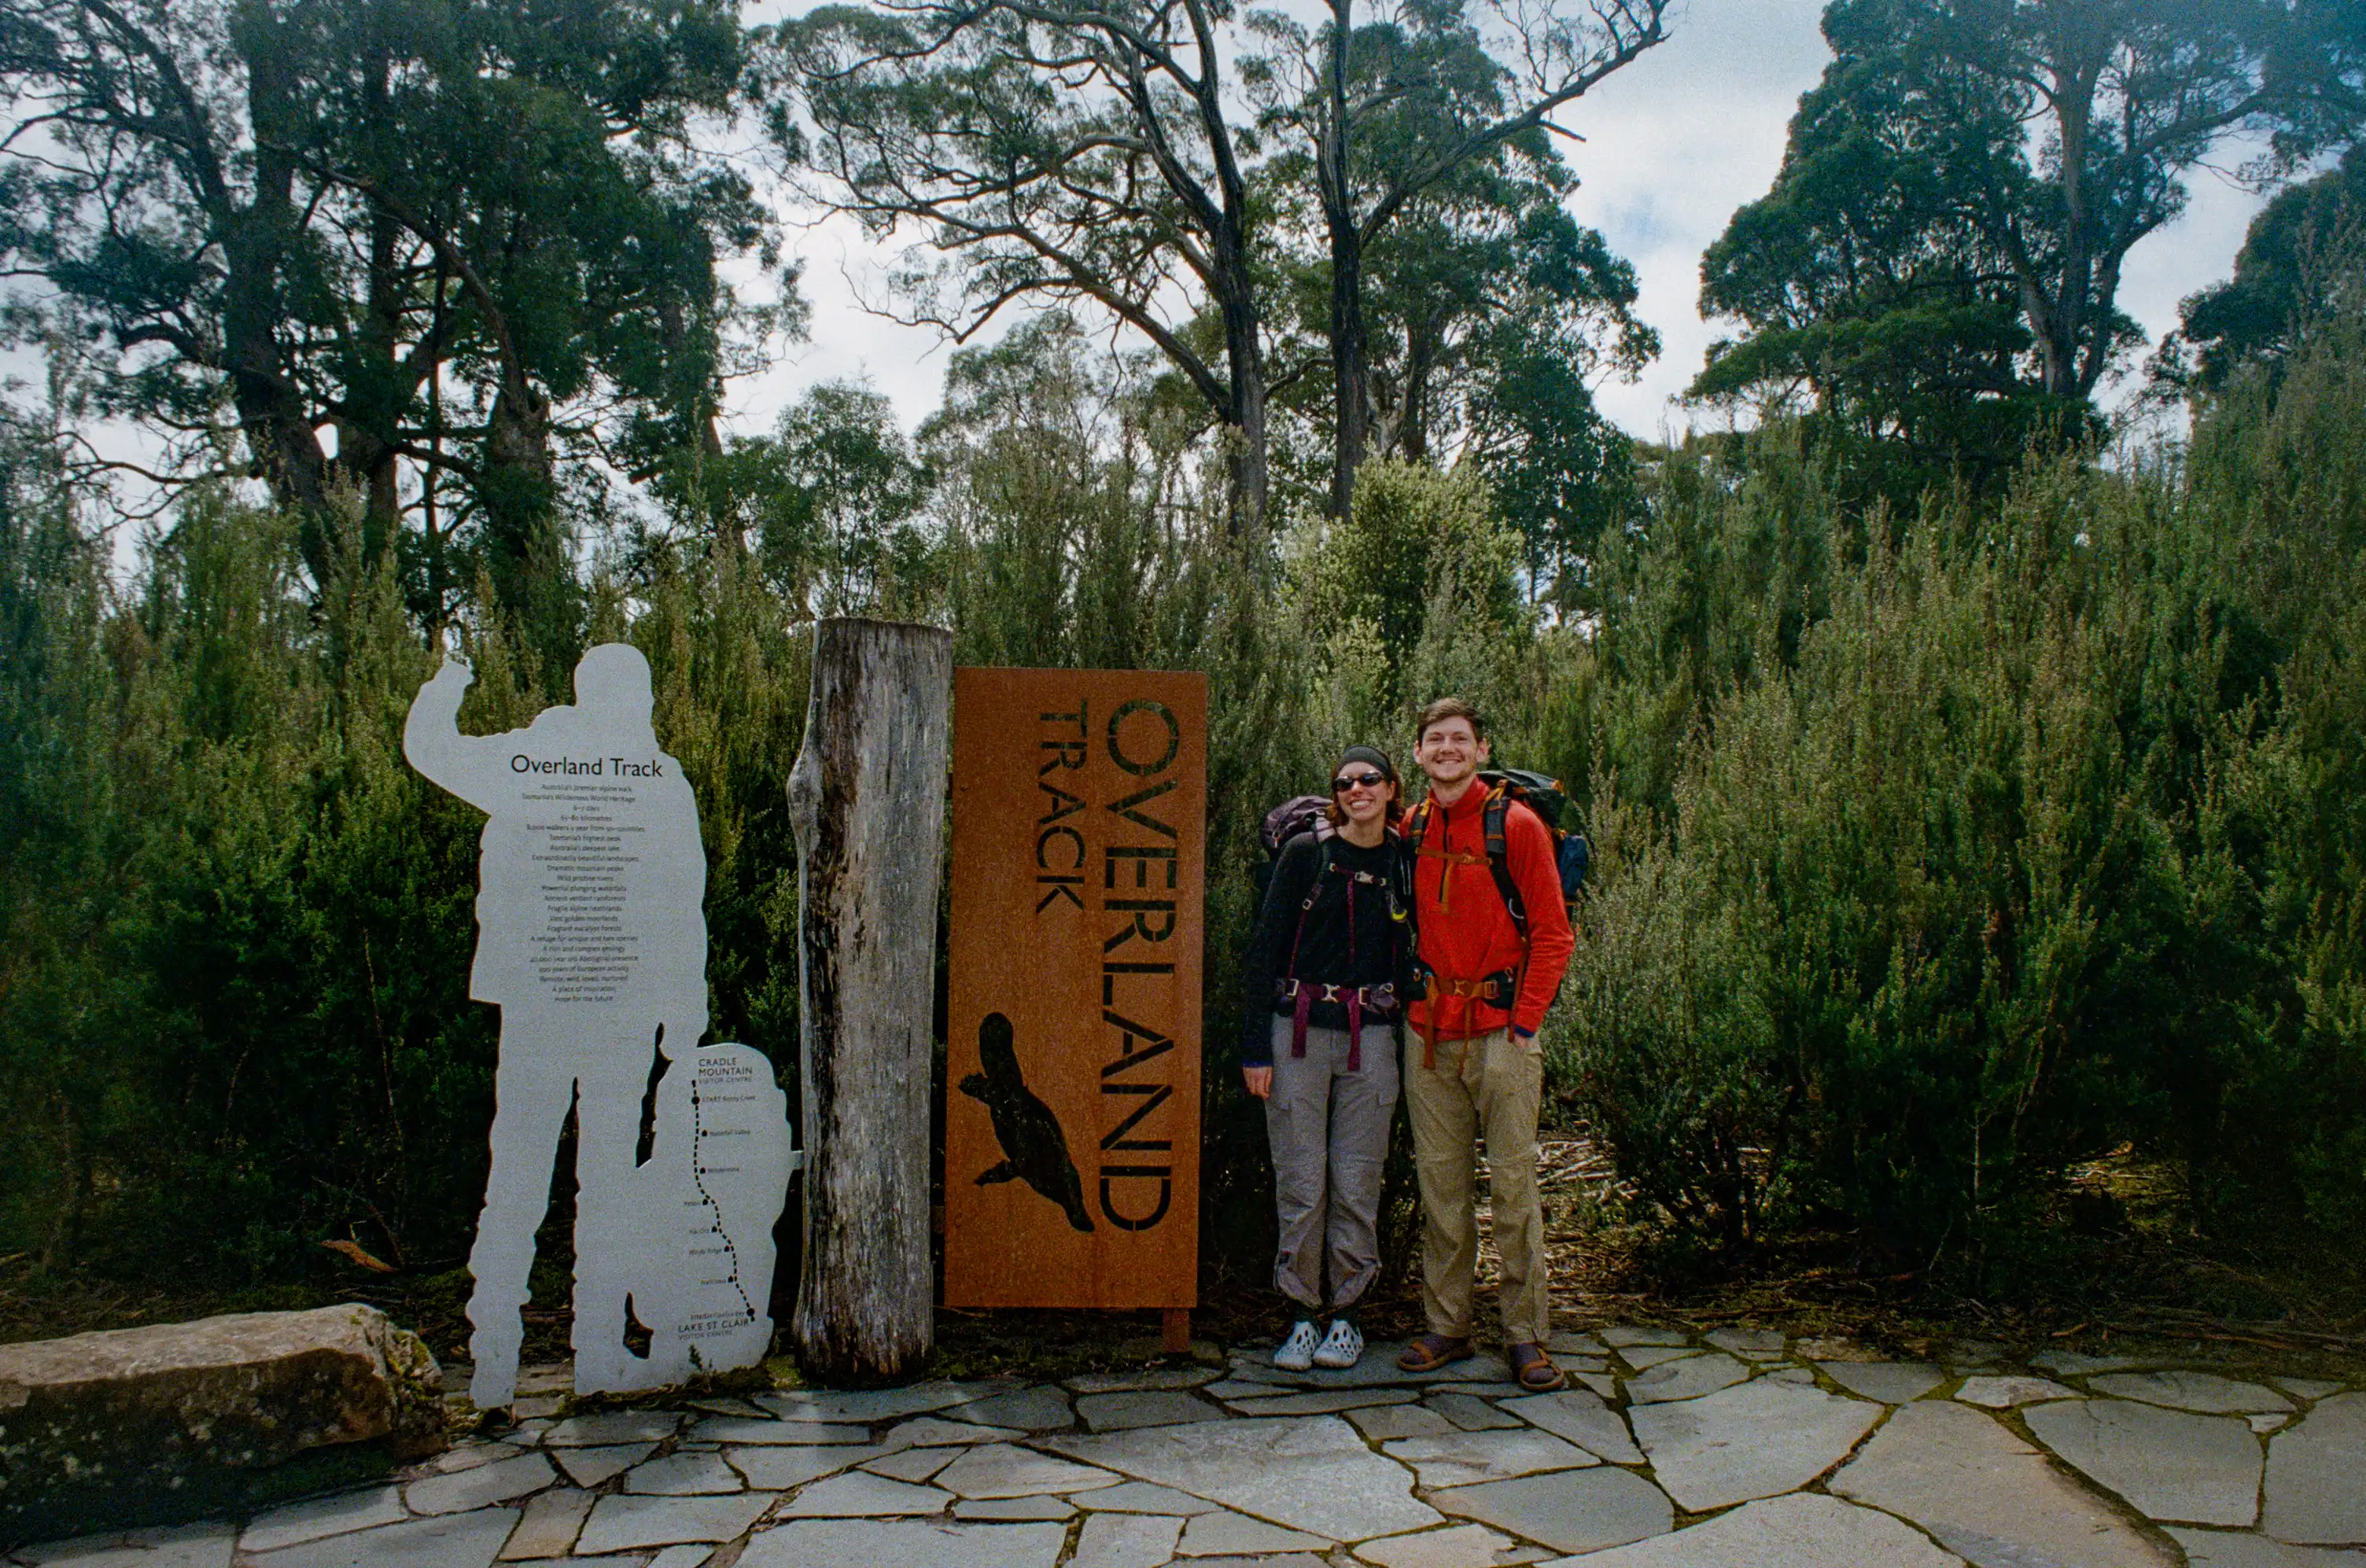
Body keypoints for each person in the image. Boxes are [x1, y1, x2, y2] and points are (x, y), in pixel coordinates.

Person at [404, 643, 709, 1408]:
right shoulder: (655, 780)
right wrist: (685, 1012)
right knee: (601, 1182)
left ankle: (497, 1367)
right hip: (618, 1008)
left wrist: (446, 688)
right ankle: (593, 1354)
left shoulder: (529, 763)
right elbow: (683, 903)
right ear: (630, 700)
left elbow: (429, 749)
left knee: (519, 1180)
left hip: (546, 1007)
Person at [1395, 698, 1576, 1391]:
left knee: (1513, 1189)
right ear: (1418, 753)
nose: (1446, 749)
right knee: (1440, 1191)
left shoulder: (1517, 826)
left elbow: (1555, 936)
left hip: (1504, 1033)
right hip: (1430, 1036)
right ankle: (1448, 1327)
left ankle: (1525, 1336)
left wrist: (1525, 1025)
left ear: (1480, 748)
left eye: (1459, 739)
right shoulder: (1410, 827)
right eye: (1434, 739)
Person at [1240, 745, 1415, 1371]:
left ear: (1393, 788)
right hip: (1298, 1036)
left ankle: (1347, 1317)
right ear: (1334, 793)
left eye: (1370, 780)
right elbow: (1263, 951)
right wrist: (1254, 1047)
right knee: (1301, 1180)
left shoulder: (1403, 860)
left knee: (1358, 1179)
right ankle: (1301, 1316)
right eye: (1345, 782)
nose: (1357, 790)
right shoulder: (1305, 856)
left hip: (1373, 1038)